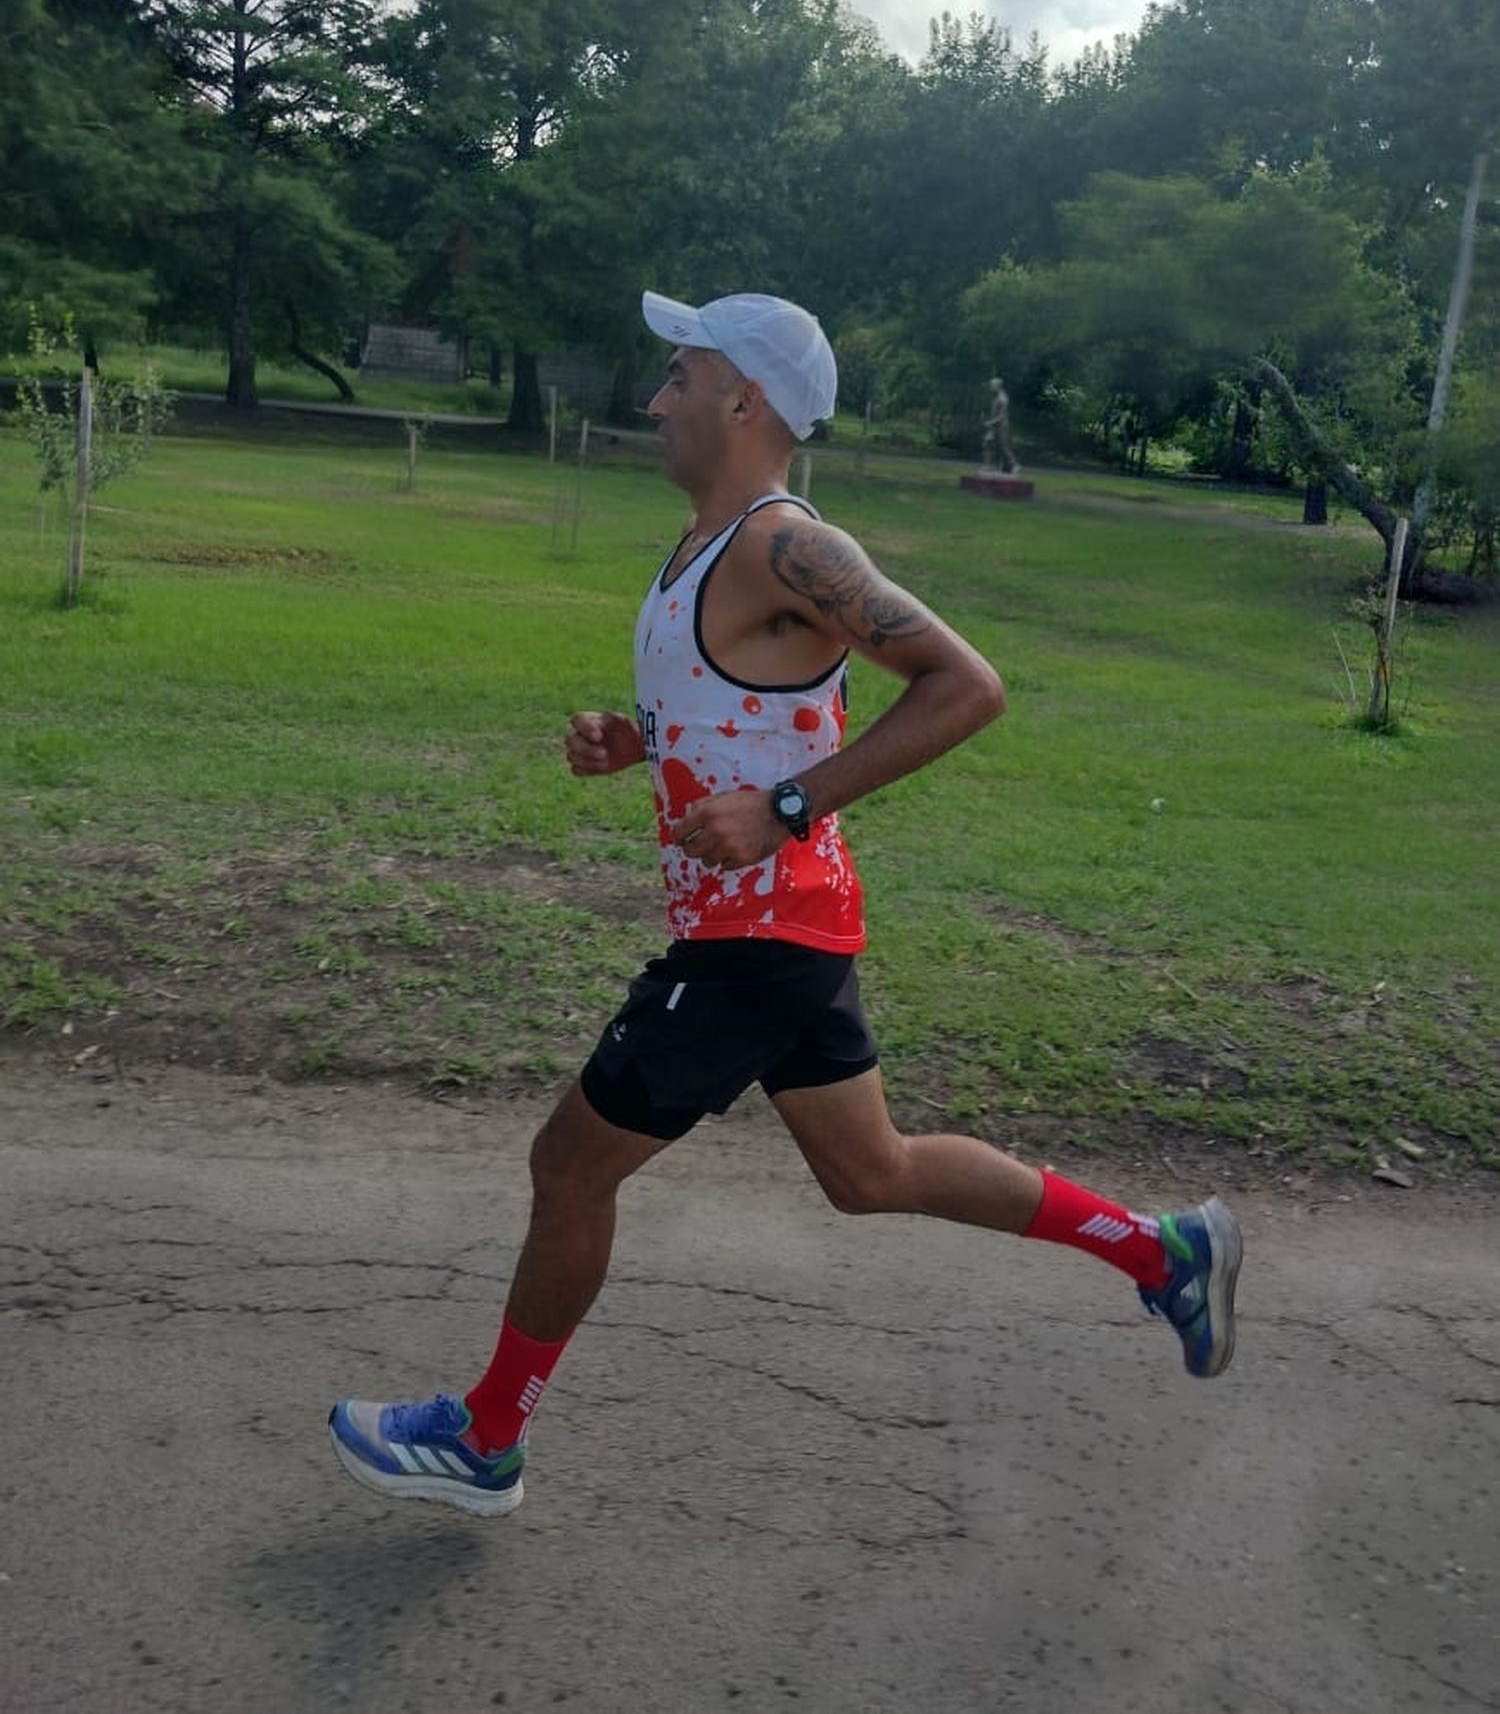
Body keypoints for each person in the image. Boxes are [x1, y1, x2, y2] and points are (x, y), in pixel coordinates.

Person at [329, 291, 1242, 1519]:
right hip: (782, 930)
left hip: (757, 934)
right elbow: (748, 712)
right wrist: (638, 746)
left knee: (568, 1168)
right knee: (872, 1173)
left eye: (678, 376)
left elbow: (967, 687)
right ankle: (1164, 1249)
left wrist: (789, 809)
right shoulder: (706, 549)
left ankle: (488, 1440)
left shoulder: (784, 542)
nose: (656, 400)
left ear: (744, 399)